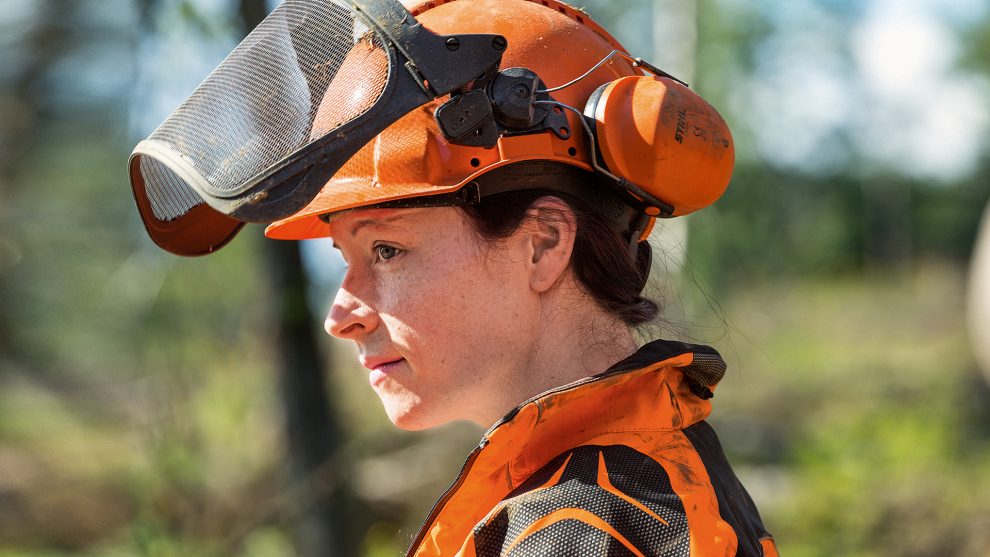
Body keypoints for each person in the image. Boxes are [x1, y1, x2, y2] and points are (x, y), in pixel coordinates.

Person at [128, 0, 778, 554]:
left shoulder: (597, 523)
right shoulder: (580, 487)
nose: (341, 314)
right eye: (344, 256)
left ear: (543, 244)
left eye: (385, 251)